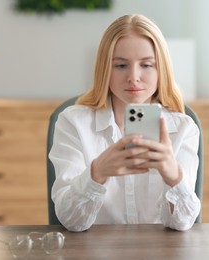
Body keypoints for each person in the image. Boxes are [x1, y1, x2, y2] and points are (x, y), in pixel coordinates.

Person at [49, 14, 201, 232]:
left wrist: (173, 175)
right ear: (105, 70)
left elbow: (183, 223)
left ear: (161, 71)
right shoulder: (72, 122)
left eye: (147, 65)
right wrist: (96, 174)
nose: (134, 77)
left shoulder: (184, 128)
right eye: (121, 65)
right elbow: (71, 221)